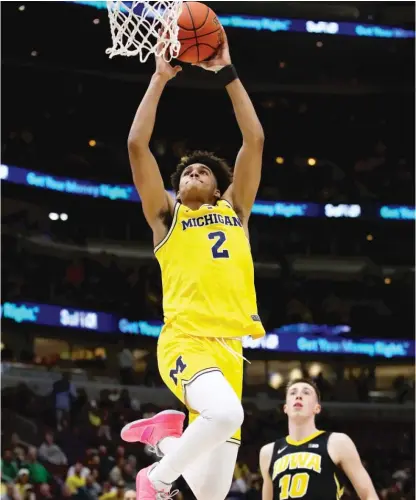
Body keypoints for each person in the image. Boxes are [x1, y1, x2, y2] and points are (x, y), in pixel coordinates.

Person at [121, 26, 265, 500]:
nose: (191, 174)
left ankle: (164, 437)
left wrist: (227, 72)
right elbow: (137, 146)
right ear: (175, 188)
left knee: (211, 495)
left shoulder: (235, 211)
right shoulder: (166, 218)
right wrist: (160, 78)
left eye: (201, 170)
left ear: (218, 185)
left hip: (231, 352)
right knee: (227, 415)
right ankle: (154, 479)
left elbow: (254, 139)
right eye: (184, 173)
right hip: (185, 341)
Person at [259, 378, 379, 500]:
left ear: (317, 408)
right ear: (285, 408)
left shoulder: (337, 442)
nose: (298, 396)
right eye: (293, 393)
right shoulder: (268, 452)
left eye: (306, 393)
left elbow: (369, 495)